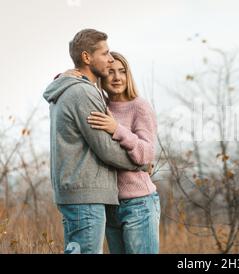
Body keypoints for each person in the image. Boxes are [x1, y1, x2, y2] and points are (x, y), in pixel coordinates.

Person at [43, 29, 145, 254]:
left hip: (77, 194)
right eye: (105, 53)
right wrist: (140, 164)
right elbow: (106, 148)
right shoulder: (82, 92)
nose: (110, 59)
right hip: (85, 195)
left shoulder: (68, 88)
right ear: (87, 58)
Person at [65, 52, 160, 254]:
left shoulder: (139, 107)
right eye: (110, 72)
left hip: (139, 203)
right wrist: (64, 77)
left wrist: (117, 128)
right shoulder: (100, 105)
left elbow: (146, 154)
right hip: (108, 204)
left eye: (122, 71)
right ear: (101, 76)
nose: (117, 78)